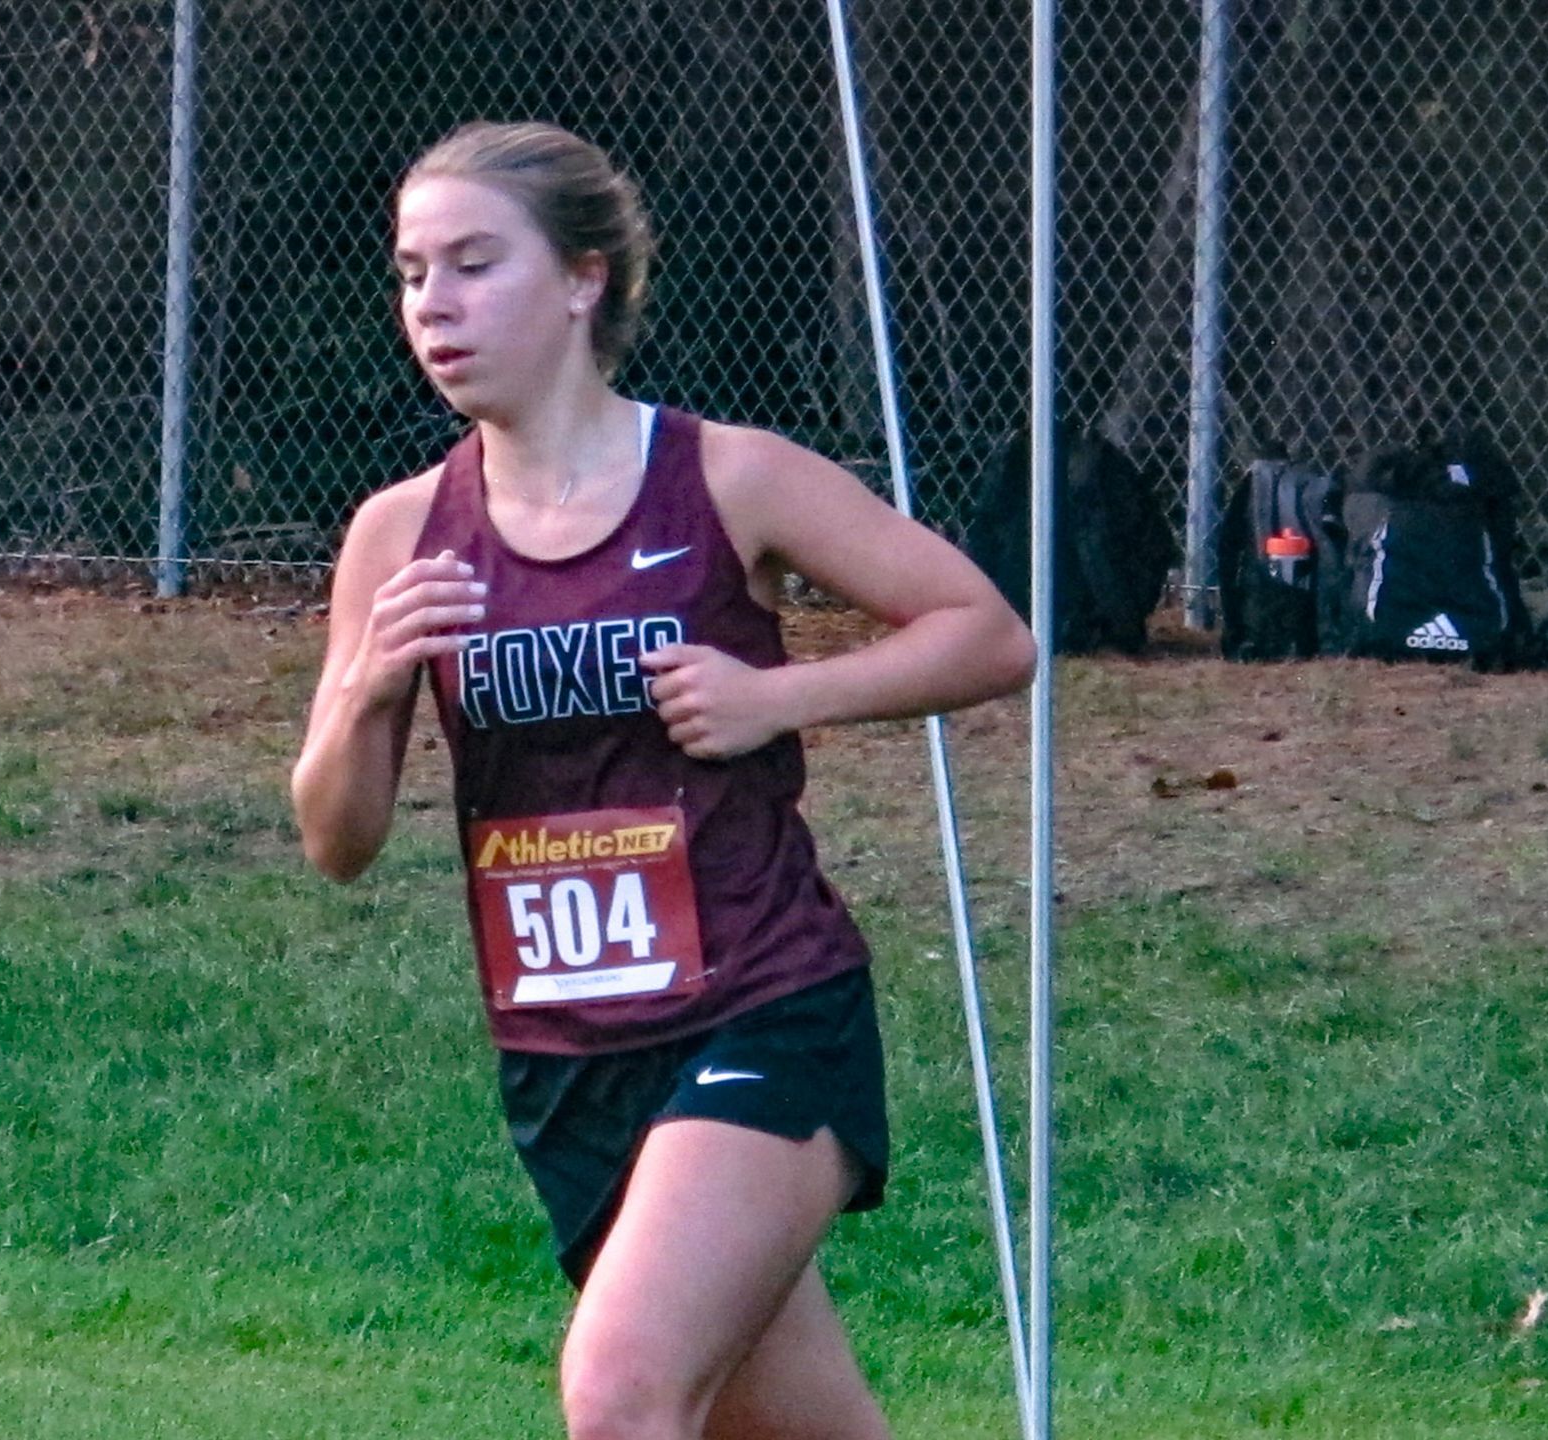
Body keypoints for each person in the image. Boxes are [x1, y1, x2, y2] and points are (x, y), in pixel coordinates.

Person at [292, 120, 1035, 1440]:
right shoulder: (400, 533)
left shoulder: (726, 477)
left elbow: (987, 632)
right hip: (567, 1055)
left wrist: (775, 697)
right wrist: (364, 691)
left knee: (622, 1386)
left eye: (474, 263)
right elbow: (336, 843)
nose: (436, 305)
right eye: (413, 273)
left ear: (583, 280)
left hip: (760, 1007)